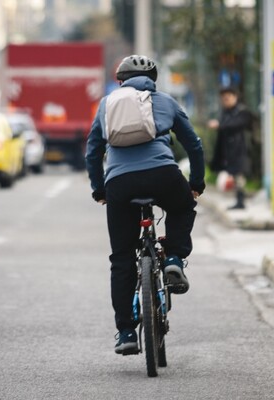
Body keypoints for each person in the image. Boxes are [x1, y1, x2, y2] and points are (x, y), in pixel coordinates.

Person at [85, 55, 206, 355]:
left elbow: (92, 151)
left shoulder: (107, 105)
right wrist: (196, 185)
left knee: (122, 258)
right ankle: (175, 259)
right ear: (153, 78)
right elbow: (194, 145)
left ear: (120, 80)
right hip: (163, 175)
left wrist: (99, 189)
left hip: (120, 184)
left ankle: (126, 331)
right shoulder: (165, 101)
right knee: (182, 207)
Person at [208, 87, 253, 209]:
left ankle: (240, 201)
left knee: (239, 176)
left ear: (235, 97)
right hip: (229, 151)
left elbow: (235, 124)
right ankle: (238, 200)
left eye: (228, 98)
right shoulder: (225, 112)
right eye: (223, 99)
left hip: (240, 150)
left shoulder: (242, 112)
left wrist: (219, 125)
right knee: (234, 176)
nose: (225, 101)